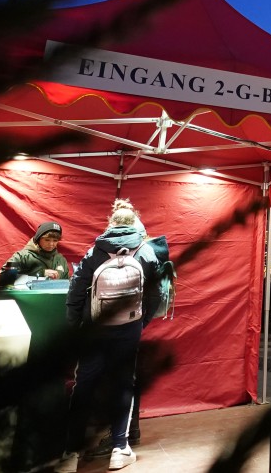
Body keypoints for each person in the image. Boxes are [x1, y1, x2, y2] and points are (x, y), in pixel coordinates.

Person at [55, 200, 163, 473]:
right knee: (124, 384)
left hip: (95, 329)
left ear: (111, 224)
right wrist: (142, 321)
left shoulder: (95, 252)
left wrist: (76, 325)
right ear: (134, 223)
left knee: (84, 385)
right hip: (128, 328)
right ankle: (119, 448)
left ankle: (70, 451)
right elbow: (156, 294)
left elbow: (76, 292)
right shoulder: (147, 251)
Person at [1, 221, 70, 282]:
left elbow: (67, 285)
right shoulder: (21, 256)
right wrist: (40, 274)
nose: (51, 244)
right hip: (27, 296)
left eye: (55, 240)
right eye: (47, 240)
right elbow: (4, 276)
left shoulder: (61, 260)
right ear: (38, 239)